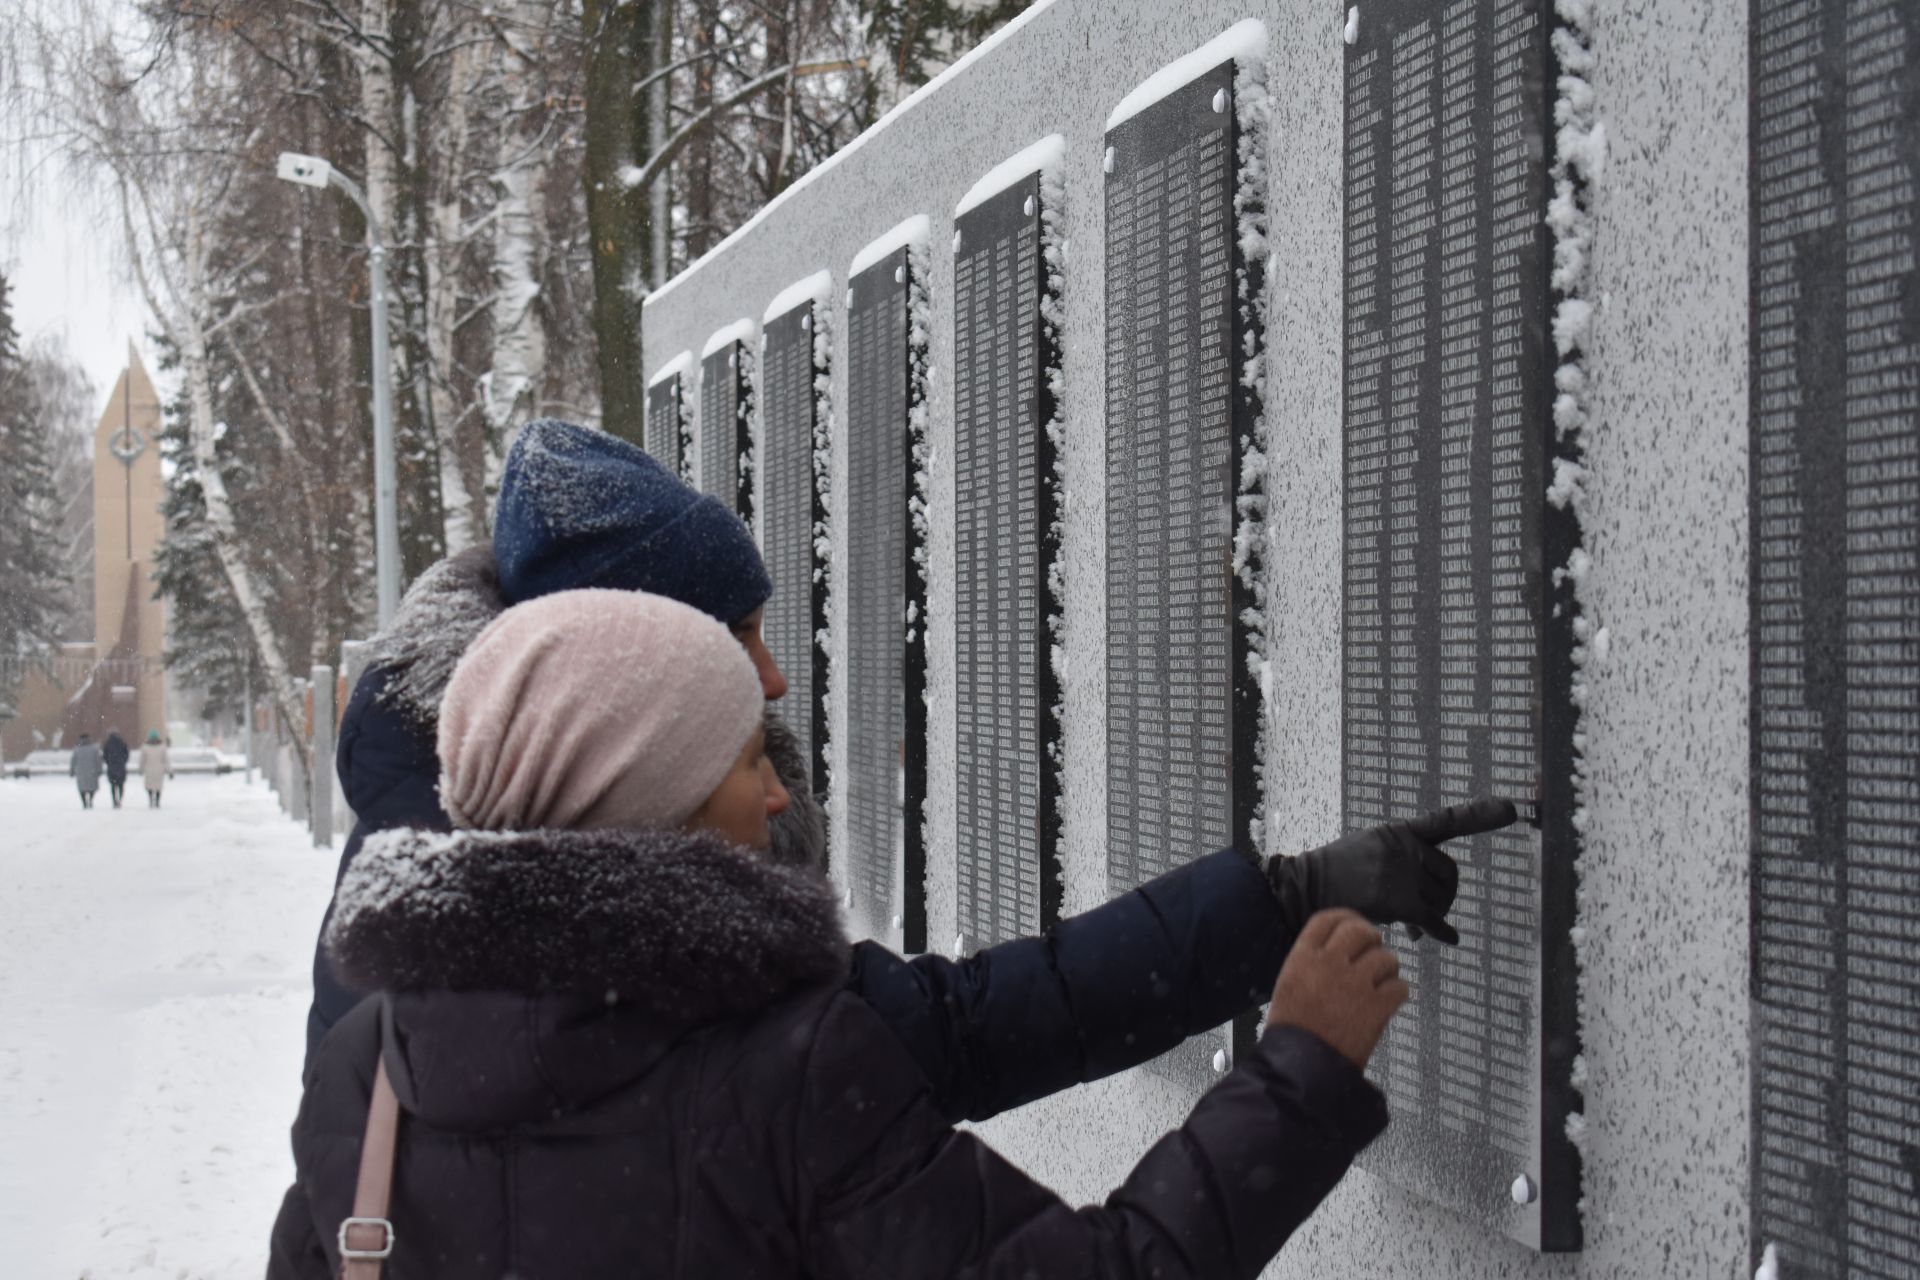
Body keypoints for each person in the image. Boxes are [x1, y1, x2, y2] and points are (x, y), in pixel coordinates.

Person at [305, 418, 1516, 1127]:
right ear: (621, 676)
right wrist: (1299, 1071)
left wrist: (1285, 896)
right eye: (736, 637)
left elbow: (946, 1027)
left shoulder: (582, 898)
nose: (777, 682)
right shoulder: (489, 942)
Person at [270, 590, 1406, 1279]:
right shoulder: (782, 1078)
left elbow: (973, 1017)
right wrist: (1299, 1070)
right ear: (648, 803)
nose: (777, 796)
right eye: (748, 757)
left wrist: (1271, 902)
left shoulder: (364, 1077)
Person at [69, 733, 103, 809]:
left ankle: (84, 802)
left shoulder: (77, 749)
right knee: (92, 787)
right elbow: (98, 760)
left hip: (81, 772)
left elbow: (73, 761)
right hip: (92, 771)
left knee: (82, 788)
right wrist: (99, 770)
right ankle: (90, 800)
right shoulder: (94, 749)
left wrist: (72, 771)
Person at [101, 729, 131, 808]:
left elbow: (104, 756)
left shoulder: (107, 744)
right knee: (121, 785)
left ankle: (114, 800)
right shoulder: (122, 743)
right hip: (121, 767)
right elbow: (127, 754)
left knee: (113, 786)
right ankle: (120, 799)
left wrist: (109, 762)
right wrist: (123, 762)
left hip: (111, 768)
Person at [142, 731, 169, 808]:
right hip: (159, 770)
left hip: (149, 770)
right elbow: (166, 760)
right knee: (158, 787)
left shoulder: (145, 748)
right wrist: (169, 770)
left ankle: (150, 799)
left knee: (149, 786)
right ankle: (157, 801)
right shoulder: (162, 747)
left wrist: (140, 769)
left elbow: (142, 760)